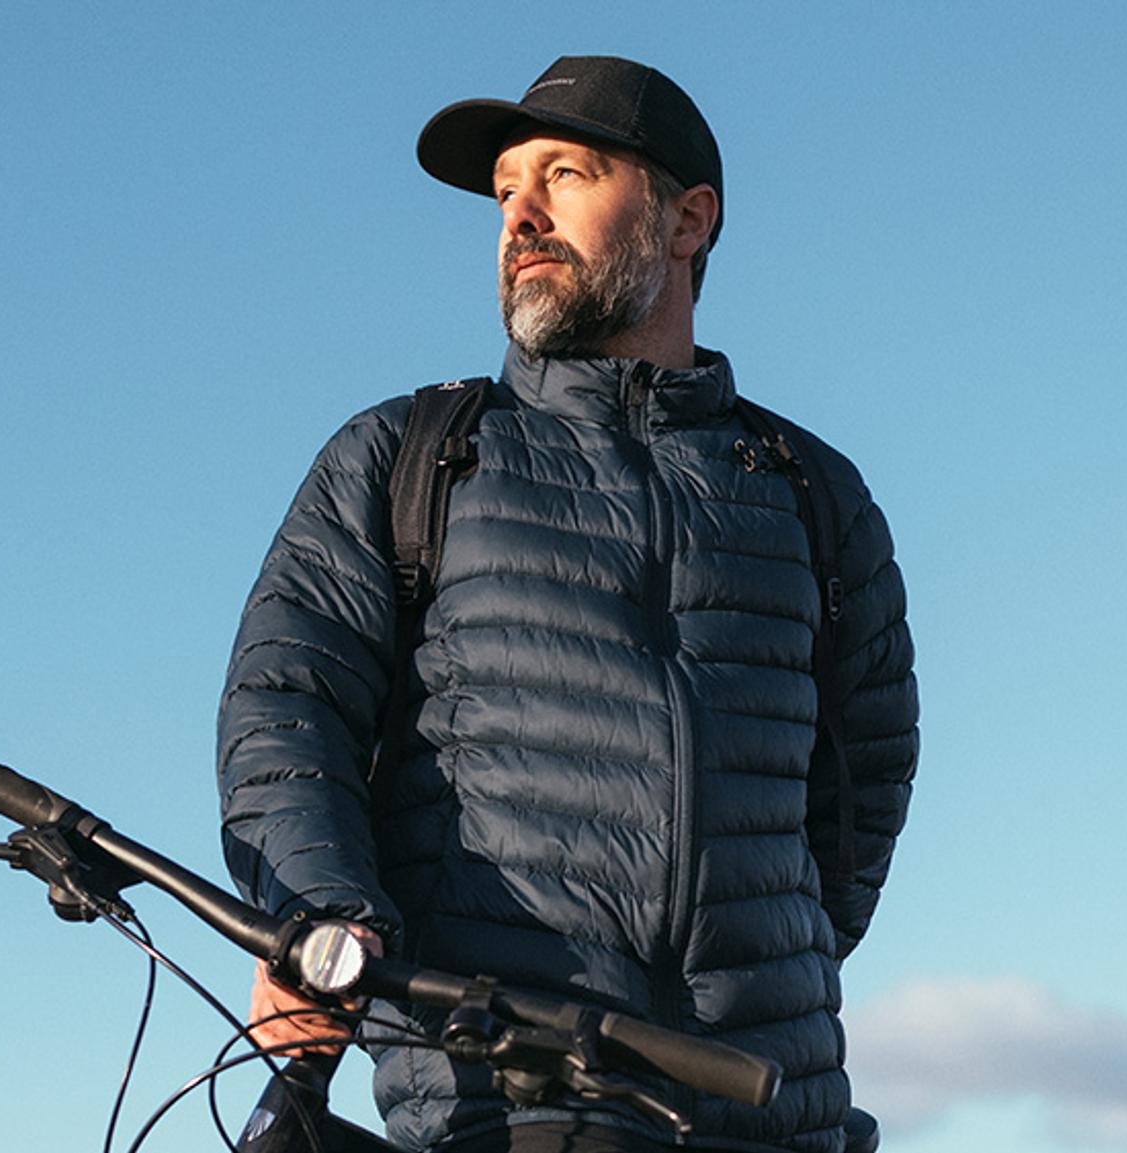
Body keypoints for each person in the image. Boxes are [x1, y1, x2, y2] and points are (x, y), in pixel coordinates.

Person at [218, 56, 918, 1153]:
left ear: (687, 220)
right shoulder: (410, 457)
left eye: (564, 174)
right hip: (506, 1101)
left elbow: (860, 787)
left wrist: (763, 968)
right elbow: (284, 712)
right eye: (505, 191)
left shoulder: (808, 494)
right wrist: (326, 915)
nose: (521, 215)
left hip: (772, 1111)